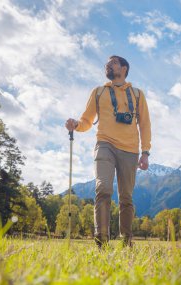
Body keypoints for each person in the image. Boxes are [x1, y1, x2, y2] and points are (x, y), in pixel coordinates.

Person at [65, 55, 151, 248]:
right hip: (104, 144)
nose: (109, 65)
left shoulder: (138, 94)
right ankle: (101, 240)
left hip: (130, 150)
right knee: (103, 188)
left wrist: (145, 152)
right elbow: (86, 120)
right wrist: (76, 125)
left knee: (126, 197)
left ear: (124, 68)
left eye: (113, 63)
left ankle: (126, 241)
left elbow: (144, 124)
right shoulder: (99, 92)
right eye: (107, 64)